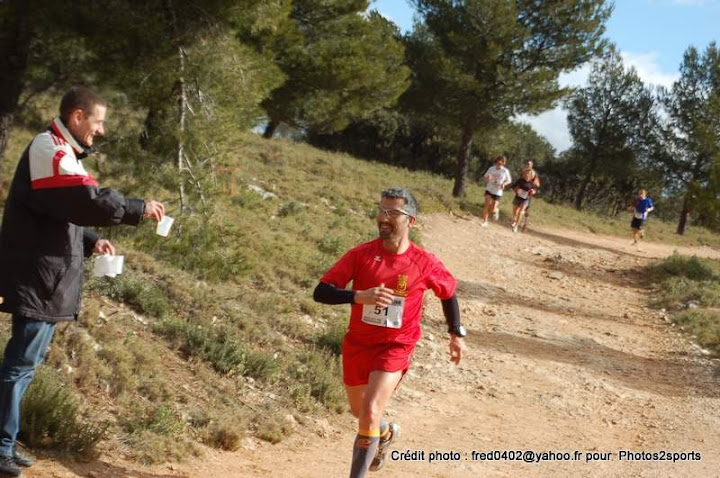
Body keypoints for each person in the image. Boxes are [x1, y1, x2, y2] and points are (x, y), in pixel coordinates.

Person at [0, 86, 165, 476]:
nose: (101, 131)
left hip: (45, 278)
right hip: (37, 278)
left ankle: (5, 441)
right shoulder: (50, 149)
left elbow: (57, 211)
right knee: (18, 366)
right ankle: (1, 446)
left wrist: (90, 242)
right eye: (98, 122)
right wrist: (137, 209)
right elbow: (86, 200)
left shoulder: (61, 151)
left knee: (25, 364)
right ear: (77, 117)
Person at [313, 188, 468, 478]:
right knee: (361, 413)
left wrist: (455, 333)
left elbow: (448, 293)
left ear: (410, 220)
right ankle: (385, 435)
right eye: (381, 211)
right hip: (358, 345)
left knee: (370, 410)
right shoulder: (360, 255)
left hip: (396, 346)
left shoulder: (423, 262)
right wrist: (359, 296)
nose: (384, 218)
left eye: (393, 213)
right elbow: (321, 292)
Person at [481, 156, 512, 227]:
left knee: (493, 208)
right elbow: (485, 177)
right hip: (489, 188)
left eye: (502, 161)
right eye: (499, 160)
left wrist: (504, 184)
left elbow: (509, 180)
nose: (500, 162)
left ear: (504, 163)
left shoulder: (505, 171)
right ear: (496, 161)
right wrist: (487, 179)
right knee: (486, 205)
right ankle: (485, 221)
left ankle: (496, 210)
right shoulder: (491, 168)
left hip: (498, 191)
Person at [519, 159, 541, 231]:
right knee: (517, 207)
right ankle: (518, 221)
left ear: (532, 166)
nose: (527, 165)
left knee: (526, 208)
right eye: (527, 164)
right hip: (520, 191)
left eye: (529, 164)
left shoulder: (534, 173)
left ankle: (525, 224)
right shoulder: (522, 171)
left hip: (528, 192)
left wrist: (533, 189)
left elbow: (537, 184)